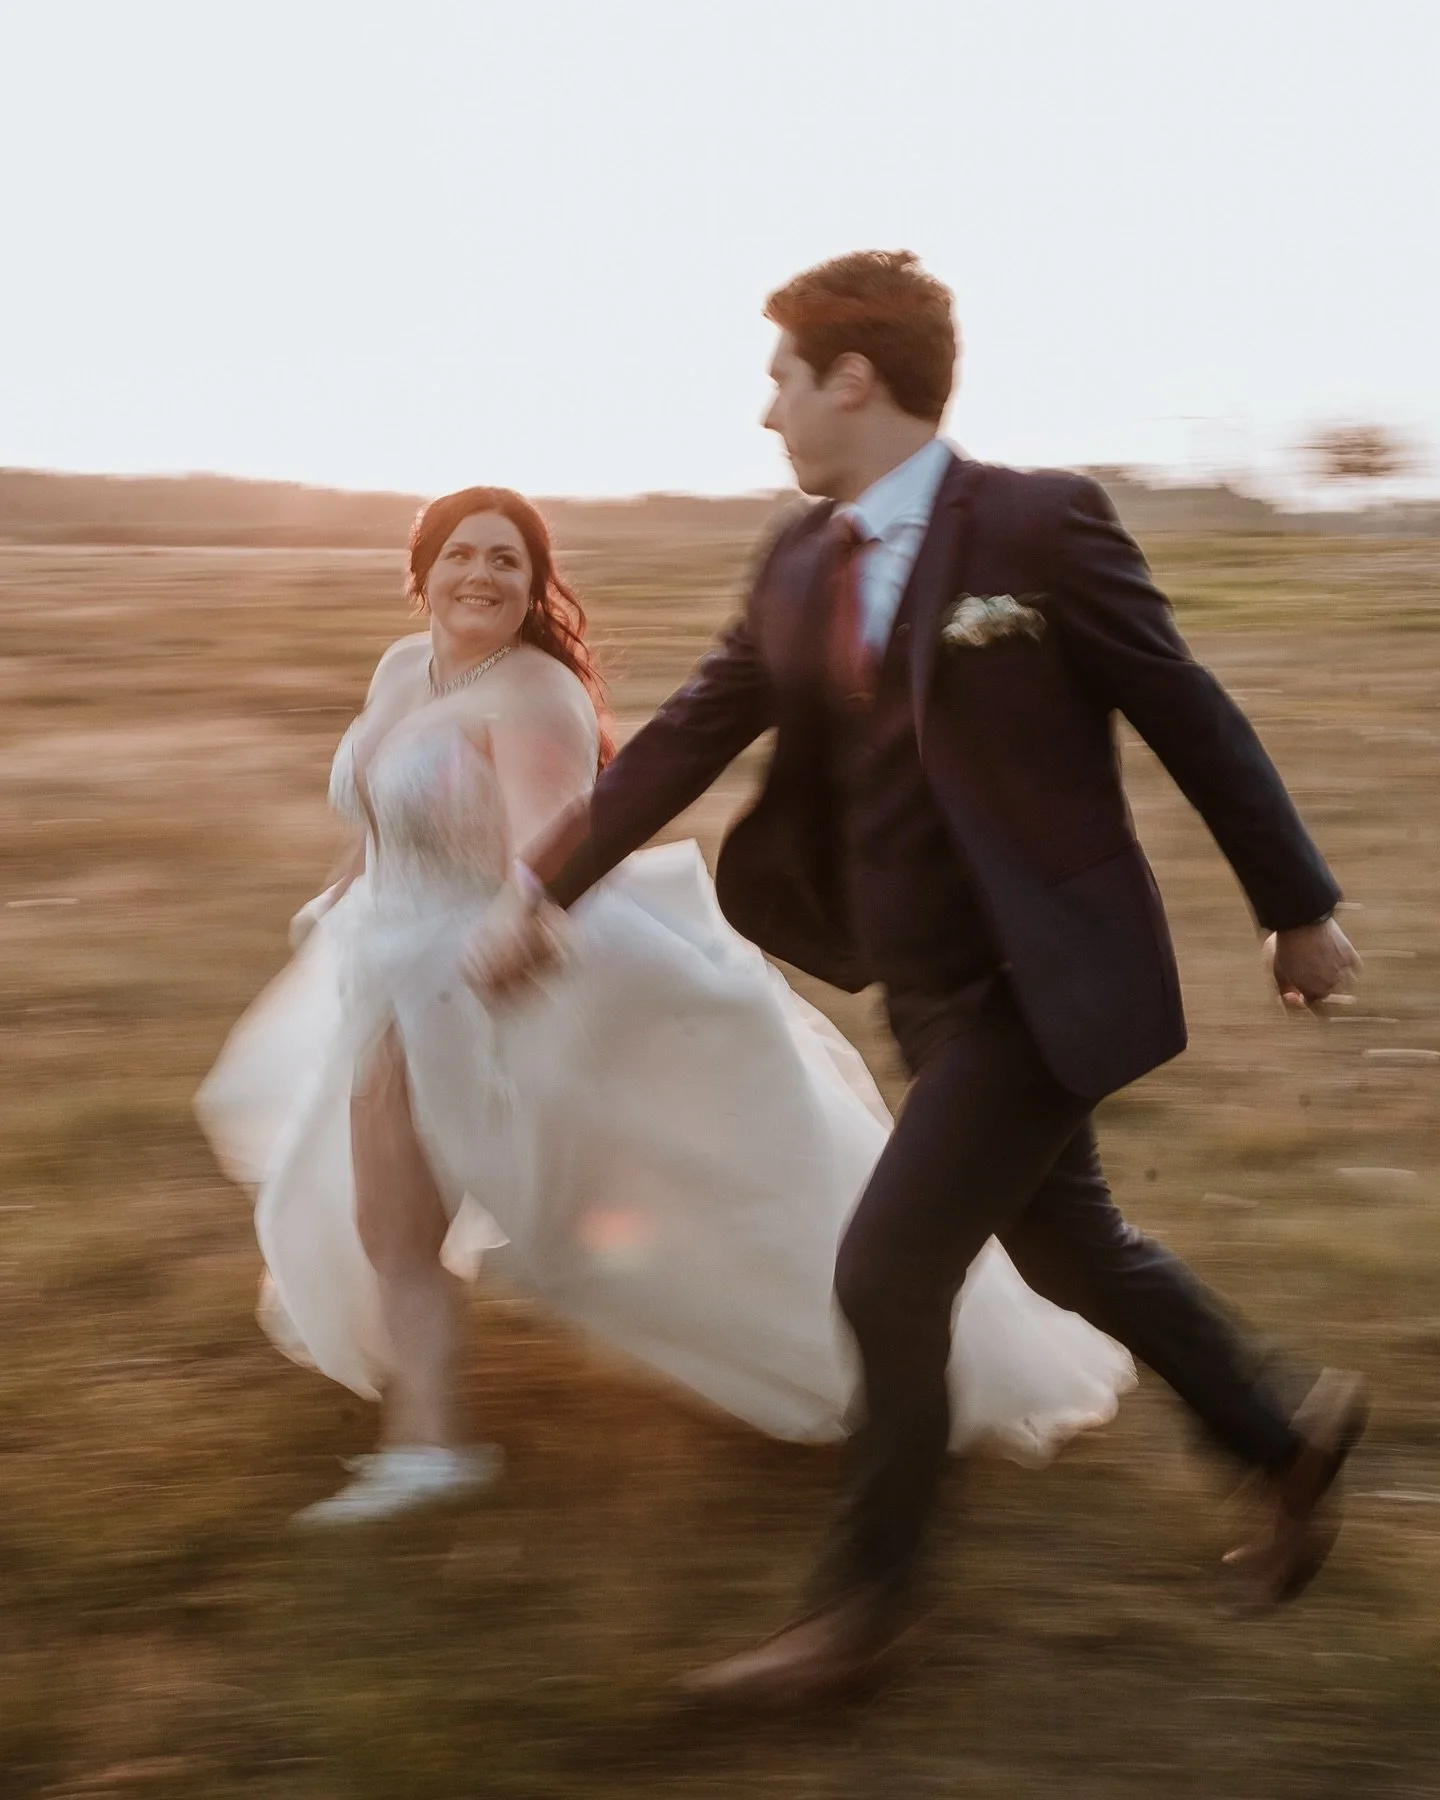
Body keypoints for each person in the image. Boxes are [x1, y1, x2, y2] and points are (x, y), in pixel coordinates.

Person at [475, 251, 1369, 1706]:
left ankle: (863, 1617)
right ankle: (1281, 1442)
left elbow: (1186, 709)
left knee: (888, 1268)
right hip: (924, 989)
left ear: (853, 378)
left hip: (1045, 979)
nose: (767, 415)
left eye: (781, 379)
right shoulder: (798, 558)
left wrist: (1297, 907)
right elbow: (696, 733)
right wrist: (542, 889)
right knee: (1066, 1246)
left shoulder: (1042, 523)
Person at [196, 483, 1137, 1528]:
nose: (482, 575)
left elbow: (551, 862)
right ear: (420, 574)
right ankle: (431, 1447)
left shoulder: (534, 696)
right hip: (388, 962)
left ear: (536, 584)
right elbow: (383, 798)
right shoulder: (403, 669)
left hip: (486, 977)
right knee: (389, 1223)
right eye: (461, 554)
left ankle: (883, 1360)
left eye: (508, 560)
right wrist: (347, 889)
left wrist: (504, 943)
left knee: (659, 1217)